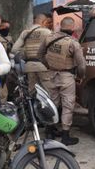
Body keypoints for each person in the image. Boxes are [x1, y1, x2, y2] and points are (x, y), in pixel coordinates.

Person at [37, 16, 86, 146]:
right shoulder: (73, 43)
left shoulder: (49, 38)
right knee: (68, 105)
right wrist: (81, 76)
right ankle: (65, 135)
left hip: (51, 75)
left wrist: (48, 65)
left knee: (52, 103)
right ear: (72, 27)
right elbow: (81, 65)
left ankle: (50, 131)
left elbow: (39, 55)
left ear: (60, 26)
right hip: (67, 77)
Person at [11, 13, 52, 94]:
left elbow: (14, 49)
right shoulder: (47, 32)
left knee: (31, 91)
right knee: (48, 92)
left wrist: (25, 52)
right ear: (44, 21)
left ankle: (32, 106)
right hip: (43, 66)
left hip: (29, 66)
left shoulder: (25, 33)